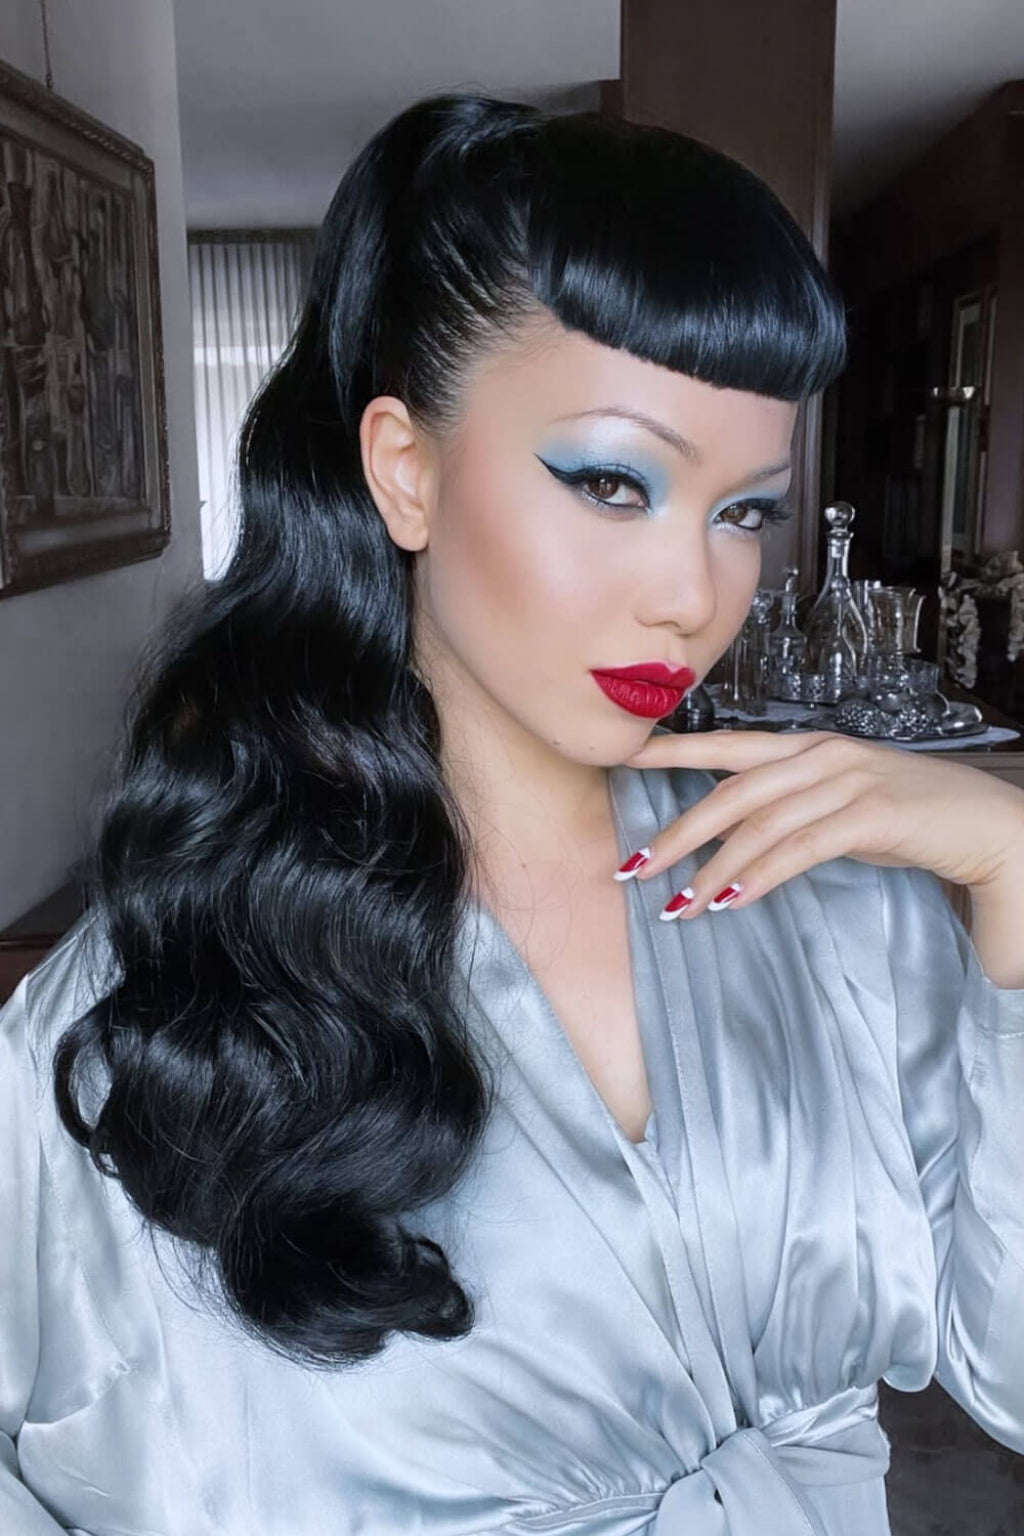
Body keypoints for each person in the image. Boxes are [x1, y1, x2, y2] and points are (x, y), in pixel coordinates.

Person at [1, 90, 1022, 1536]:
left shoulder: (843, 905)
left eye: (745, 510)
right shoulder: (160, 1002)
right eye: (612, 482)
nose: (694, 594)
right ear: (405, 470)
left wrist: (1015, 867)